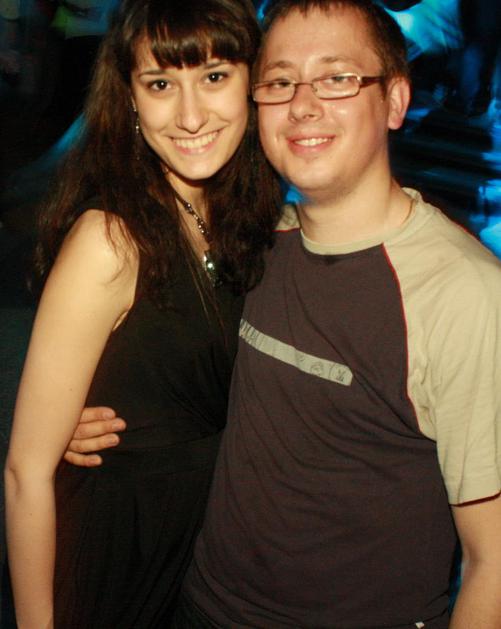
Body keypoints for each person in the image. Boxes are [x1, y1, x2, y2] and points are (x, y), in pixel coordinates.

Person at [68, 0, 501, 627]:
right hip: (196, 606)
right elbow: (189, 372)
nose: (303, 105)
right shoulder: (253, 242)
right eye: (279, 82)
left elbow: (493, 560)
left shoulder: (463, 293)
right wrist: (100, 412)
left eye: (337, 78)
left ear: (395, 100)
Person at [3, 0, 280, 626]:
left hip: (202, 554)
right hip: (114, 554)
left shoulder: (246, 219)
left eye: (214, 76)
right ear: (129, 97)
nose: (190, 115)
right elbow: (25, 472)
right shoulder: (110, 241)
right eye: (160, 84)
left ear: (253, 81)